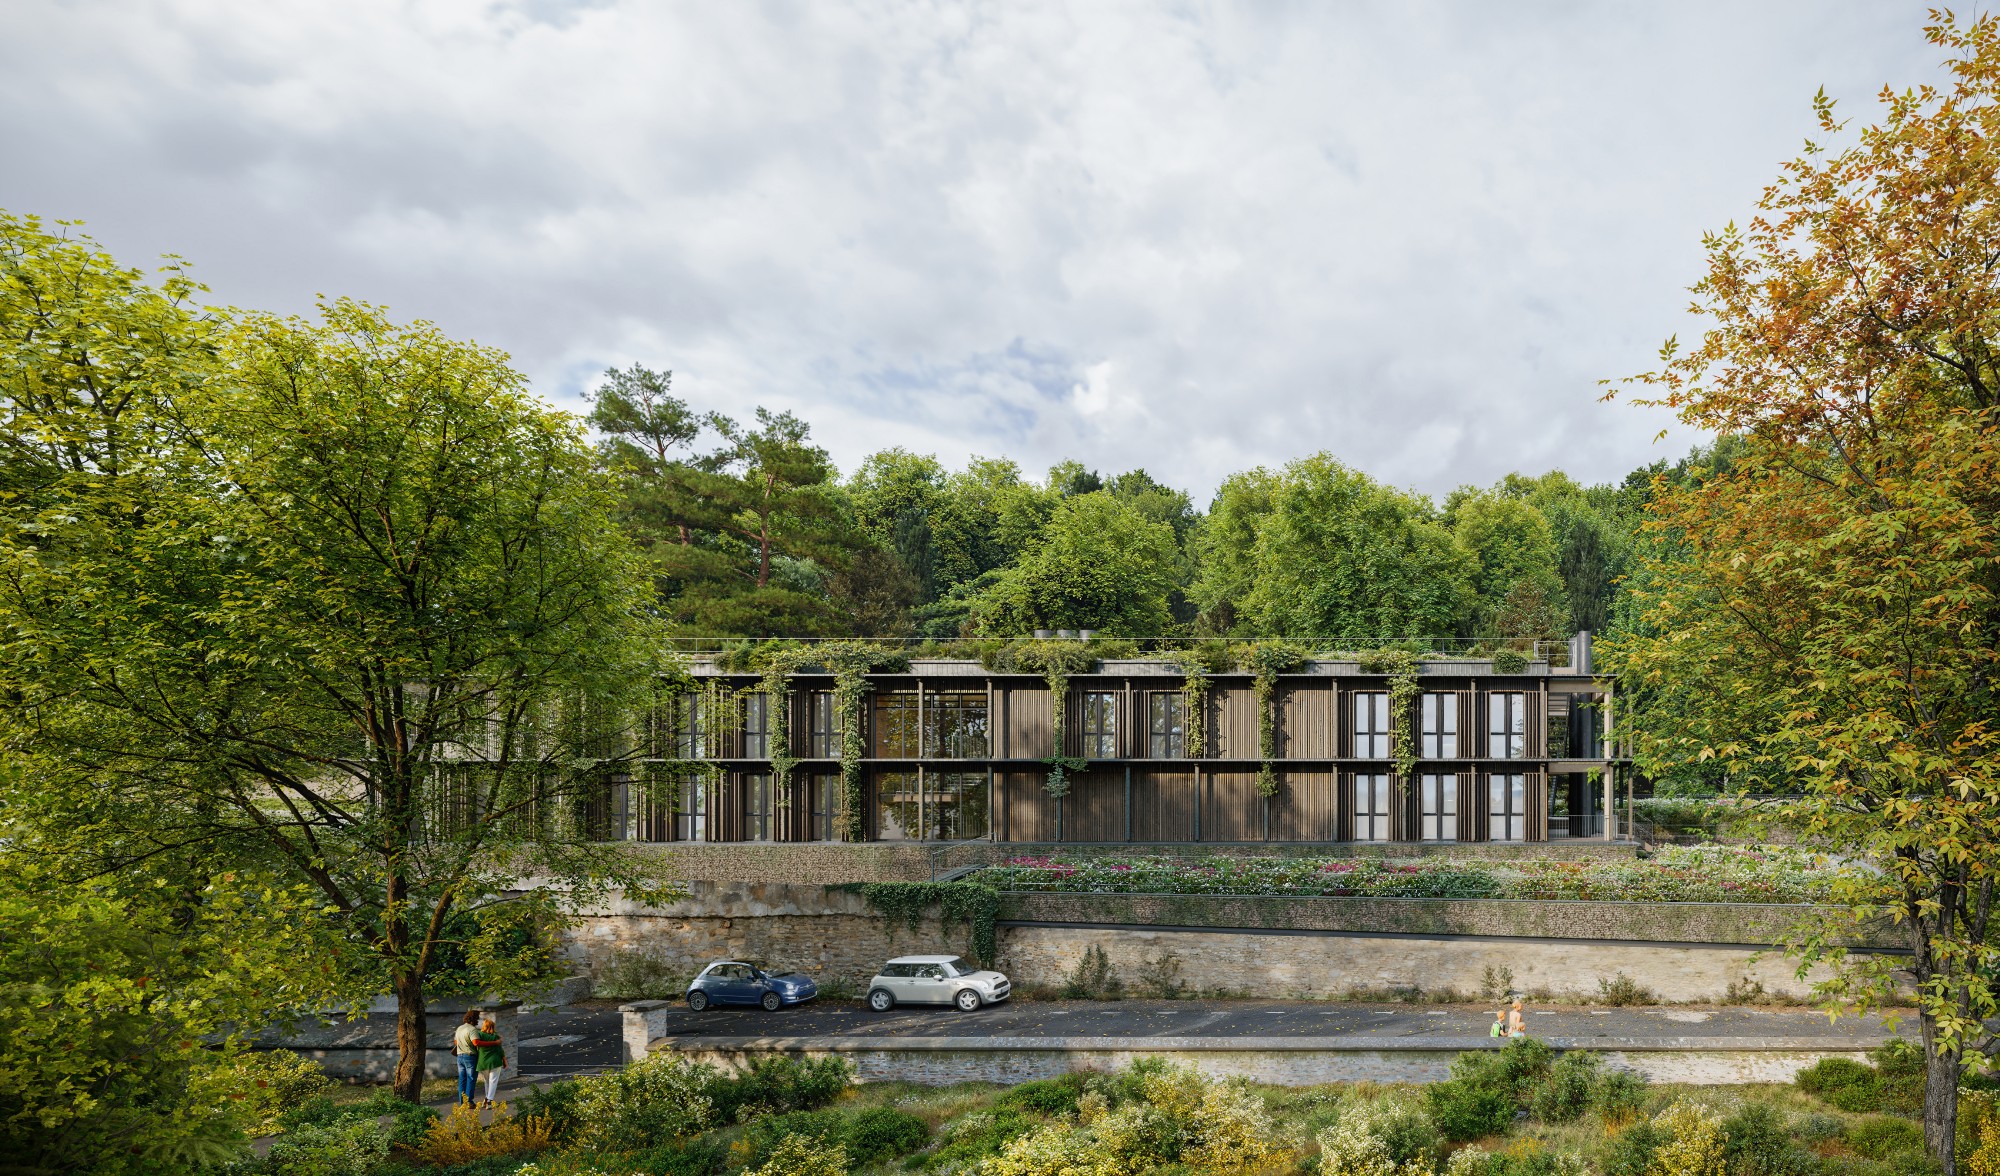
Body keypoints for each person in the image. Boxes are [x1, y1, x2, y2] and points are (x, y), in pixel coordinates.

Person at [472, 1015, 506, 1109]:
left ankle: (486, 1099)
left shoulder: (479, 1035)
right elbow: (500, 1050)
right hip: (495, 1061)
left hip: (483, 1062)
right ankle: (489, 1101)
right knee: (493, 1081)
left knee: (487, 1082)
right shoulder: (496, 1037)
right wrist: (504, 1061)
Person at [452, 1010, 481, 1106]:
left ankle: (462, 1102)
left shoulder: (460, 1028)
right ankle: (469, 1102)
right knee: (471, 1078)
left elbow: (456, 1042)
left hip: (459, 1056)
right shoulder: (472, 1029)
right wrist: (492, 1043)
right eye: (477, 1018)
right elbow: (476, 1042)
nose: (478, 1020)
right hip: (470, 1056)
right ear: (474, 1019)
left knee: (462, 1079)